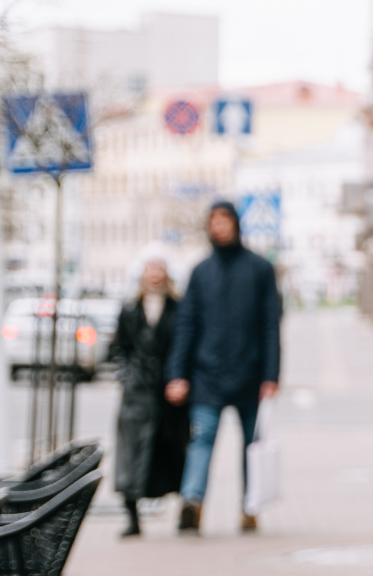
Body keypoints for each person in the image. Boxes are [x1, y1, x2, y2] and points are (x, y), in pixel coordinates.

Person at [165, 201, 281, 535]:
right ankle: (192, 502)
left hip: (251, 374)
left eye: (224, 220)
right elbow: (186, 325)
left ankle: (250, 506)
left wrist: (271, 375)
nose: (218, 226)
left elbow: (270, 325)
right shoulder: (201, 272)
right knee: (201, 440)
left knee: (251, 446)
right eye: (213, 220)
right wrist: (177, 374)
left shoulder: (259, 269)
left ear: (235, 224)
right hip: (207, 376)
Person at [108, 256, 190, 538]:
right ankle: (132, 517)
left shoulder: (179, 309)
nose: (154, 275)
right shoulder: (130, 309)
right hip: (137, 394)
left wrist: (180, 380)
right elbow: (119, 348)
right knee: (130, 455)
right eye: (149, 270)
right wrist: (127, 377)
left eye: (159, 270)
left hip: (170, 395)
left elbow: (185, 345)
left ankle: (185, 513)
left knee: (175, 452)